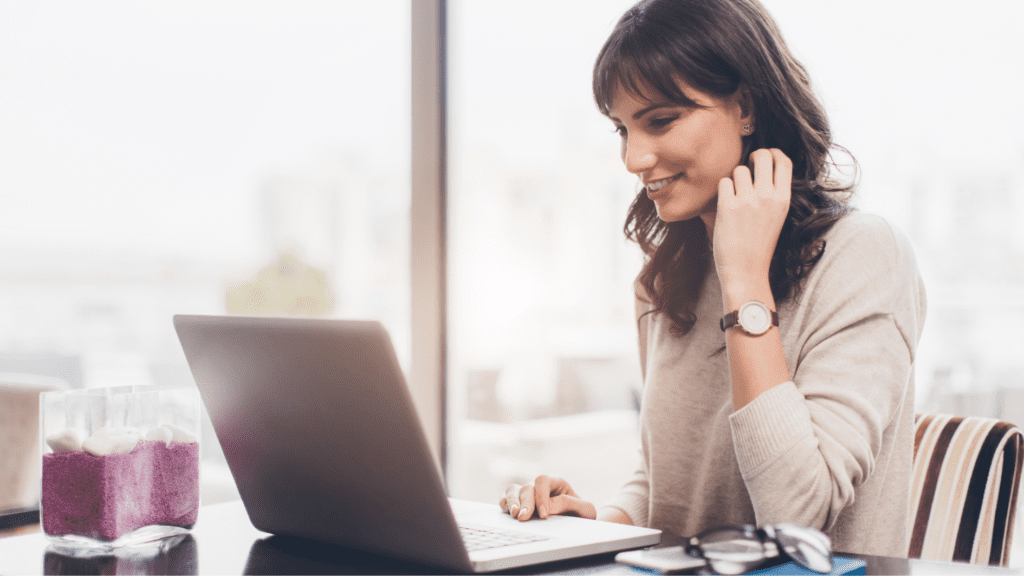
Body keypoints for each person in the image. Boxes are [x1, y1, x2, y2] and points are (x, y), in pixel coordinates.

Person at [499, 0, 926, 558]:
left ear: (744, 106)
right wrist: (595, 523)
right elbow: (663, 484)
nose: (633, 157)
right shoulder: (661, 282)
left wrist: (745, 283)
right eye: (622, 129)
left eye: (660, 120)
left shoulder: (864, 257)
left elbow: (796, 518)